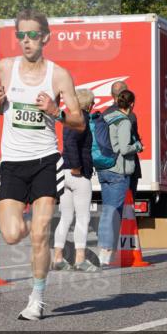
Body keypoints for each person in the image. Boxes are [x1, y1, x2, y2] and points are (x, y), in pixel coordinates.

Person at [0, 10, 84, 321]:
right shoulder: (5, 68)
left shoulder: (58, 75)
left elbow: (79, 121)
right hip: (13, 162)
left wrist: (55, 110)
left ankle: (37, 297)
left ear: (45, 37)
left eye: (32, 35)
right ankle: (39, 232)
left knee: (41, 233)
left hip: (46, 160)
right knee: (11, 234)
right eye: (21, 35)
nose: (26, 41)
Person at [51, 88, 98, 273]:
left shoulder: (69, 118)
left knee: (66, 217)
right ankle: (80, 260)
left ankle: (58, 258)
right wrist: (77, 166)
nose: (94, 105)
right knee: (83, 218)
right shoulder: (82, 119)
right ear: (88, 104)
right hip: (77, 173)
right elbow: (72, 144)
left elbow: (68, 142)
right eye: (92, 102)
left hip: (64, 172)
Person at [96, 90, 142, 265]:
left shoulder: (108, 118)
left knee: (108, 209)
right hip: (117, 170)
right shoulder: (124, 122)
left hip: (104, 168)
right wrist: (137, 145)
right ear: (132, 104)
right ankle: (106, 251)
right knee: (114, 211)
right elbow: (124, 148)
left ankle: (104, 248)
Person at [102, 80, 142, 196]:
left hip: (107, 165)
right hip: (125, 167)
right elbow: (131, 142)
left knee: (110, 204)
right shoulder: (129, 116)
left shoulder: (105, 114)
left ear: (111, 95)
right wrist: (138, 146)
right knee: (126, 206)